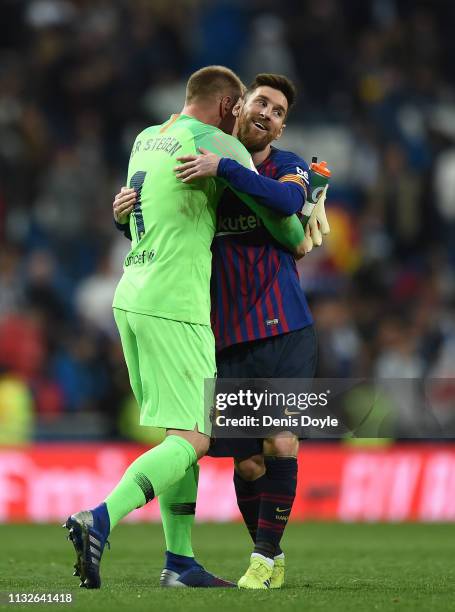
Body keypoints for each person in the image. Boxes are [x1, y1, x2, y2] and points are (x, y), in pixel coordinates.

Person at [65, 66, 308, 590]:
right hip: (179, 304)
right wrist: (300, 227)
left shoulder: (146, 139)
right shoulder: (221, 145)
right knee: (195, 438)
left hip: (130, 295)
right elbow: (289, 224)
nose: (253, 113)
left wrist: (118, 217)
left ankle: (180, 561)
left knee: (179, 432)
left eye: (274, 110)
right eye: (247, 102)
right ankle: (99, 519)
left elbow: (140, 213)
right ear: (228, 106)